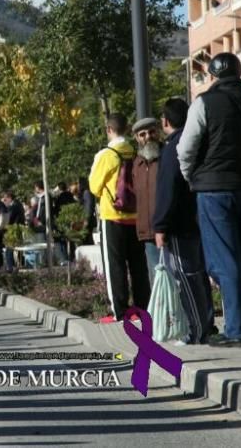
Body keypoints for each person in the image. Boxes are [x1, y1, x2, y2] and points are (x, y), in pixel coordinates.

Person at [179, 52, 241, 347]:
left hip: (212, 190)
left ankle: (236, 330)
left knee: (224, 259)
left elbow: (186, 149)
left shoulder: (204, 103)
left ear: (213, 75)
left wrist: (192, 178)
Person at [152, 98, 214, 345]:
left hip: (179, 224)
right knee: (198, 275)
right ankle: (206, 325)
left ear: (164, 121)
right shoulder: (197, 142)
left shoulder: (172, 149)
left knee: (185, 277)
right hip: (198, 219)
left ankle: (196, 331)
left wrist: (160, 224)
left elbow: (168, 189)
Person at [89, 113, 150, 323]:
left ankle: (120, 311)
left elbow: (94, 187)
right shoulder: (135, 151)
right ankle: (143, 306)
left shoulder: (106, 155)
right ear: (127, 128)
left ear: (109, 129)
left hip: (113, 216)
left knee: (115, 265)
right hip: (136, 216)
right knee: (138, 264)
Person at [131, 117, 162, 285]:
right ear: (137, 138)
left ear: (158, 132)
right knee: (155, 281)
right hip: (147, 232)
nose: (147, 137)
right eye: (142, 134)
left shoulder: (167, 157)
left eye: (151, 132)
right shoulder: (136, 165)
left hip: (169, 230)